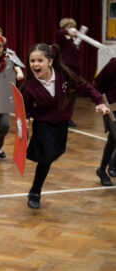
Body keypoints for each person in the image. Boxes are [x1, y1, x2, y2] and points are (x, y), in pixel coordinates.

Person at [21, 43, 109, 209]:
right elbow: (26, 107)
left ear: (50, 61)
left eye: (40, 60)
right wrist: (25, 118)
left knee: (59, 151)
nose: (35, 64)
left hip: (62, 123)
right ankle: (35, 192)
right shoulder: (30, 86)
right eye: (32, 61)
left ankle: (37, 153)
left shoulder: (64, 75)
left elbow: (85, 86)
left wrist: (98, 102)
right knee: (46, 158)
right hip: (43, 124)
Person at [94, 57, 116, 186]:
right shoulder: (114, 64)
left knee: (113, 139)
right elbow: (98, 84)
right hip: (111, 108)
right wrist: (102, 103)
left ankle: (102, 170)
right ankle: (112, 166)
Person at [56, 18, 81, 127]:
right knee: (64, 92)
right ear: (66, 27)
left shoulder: (73, 40)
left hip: (74, 69)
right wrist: (68, 31)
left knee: (73, 93)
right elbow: (60, 32)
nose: (74, 29)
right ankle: (60, 115)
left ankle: (68, 116)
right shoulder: (62, 37)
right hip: (65, 68)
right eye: (71, 27)